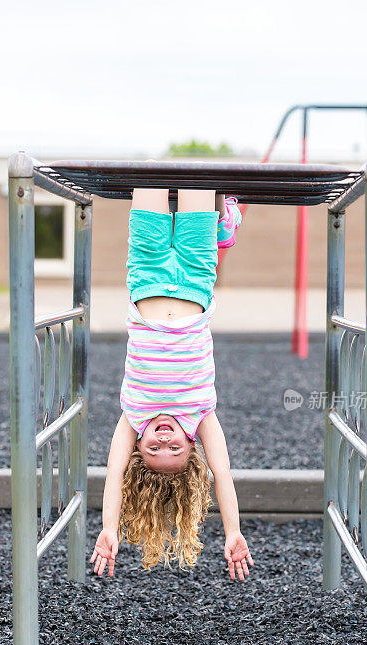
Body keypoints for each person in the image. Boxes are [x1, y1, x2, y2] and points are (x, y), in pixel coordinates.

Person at [90, 182, 254, 581]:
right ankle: (220, 225)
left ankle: (223, 226)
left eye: (154, 447)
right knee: (196, 180)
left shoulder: (134, 416)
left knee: (152, 180)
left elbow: (113, 473)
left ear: (139, 447)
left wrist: (109, 527)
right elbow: (224, 474)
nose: (164, 438)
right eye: (173, 447)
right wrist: (232, 530)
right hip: (196, 276)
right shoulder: (200, 416)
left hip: (146, 273)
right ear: (191, 445)